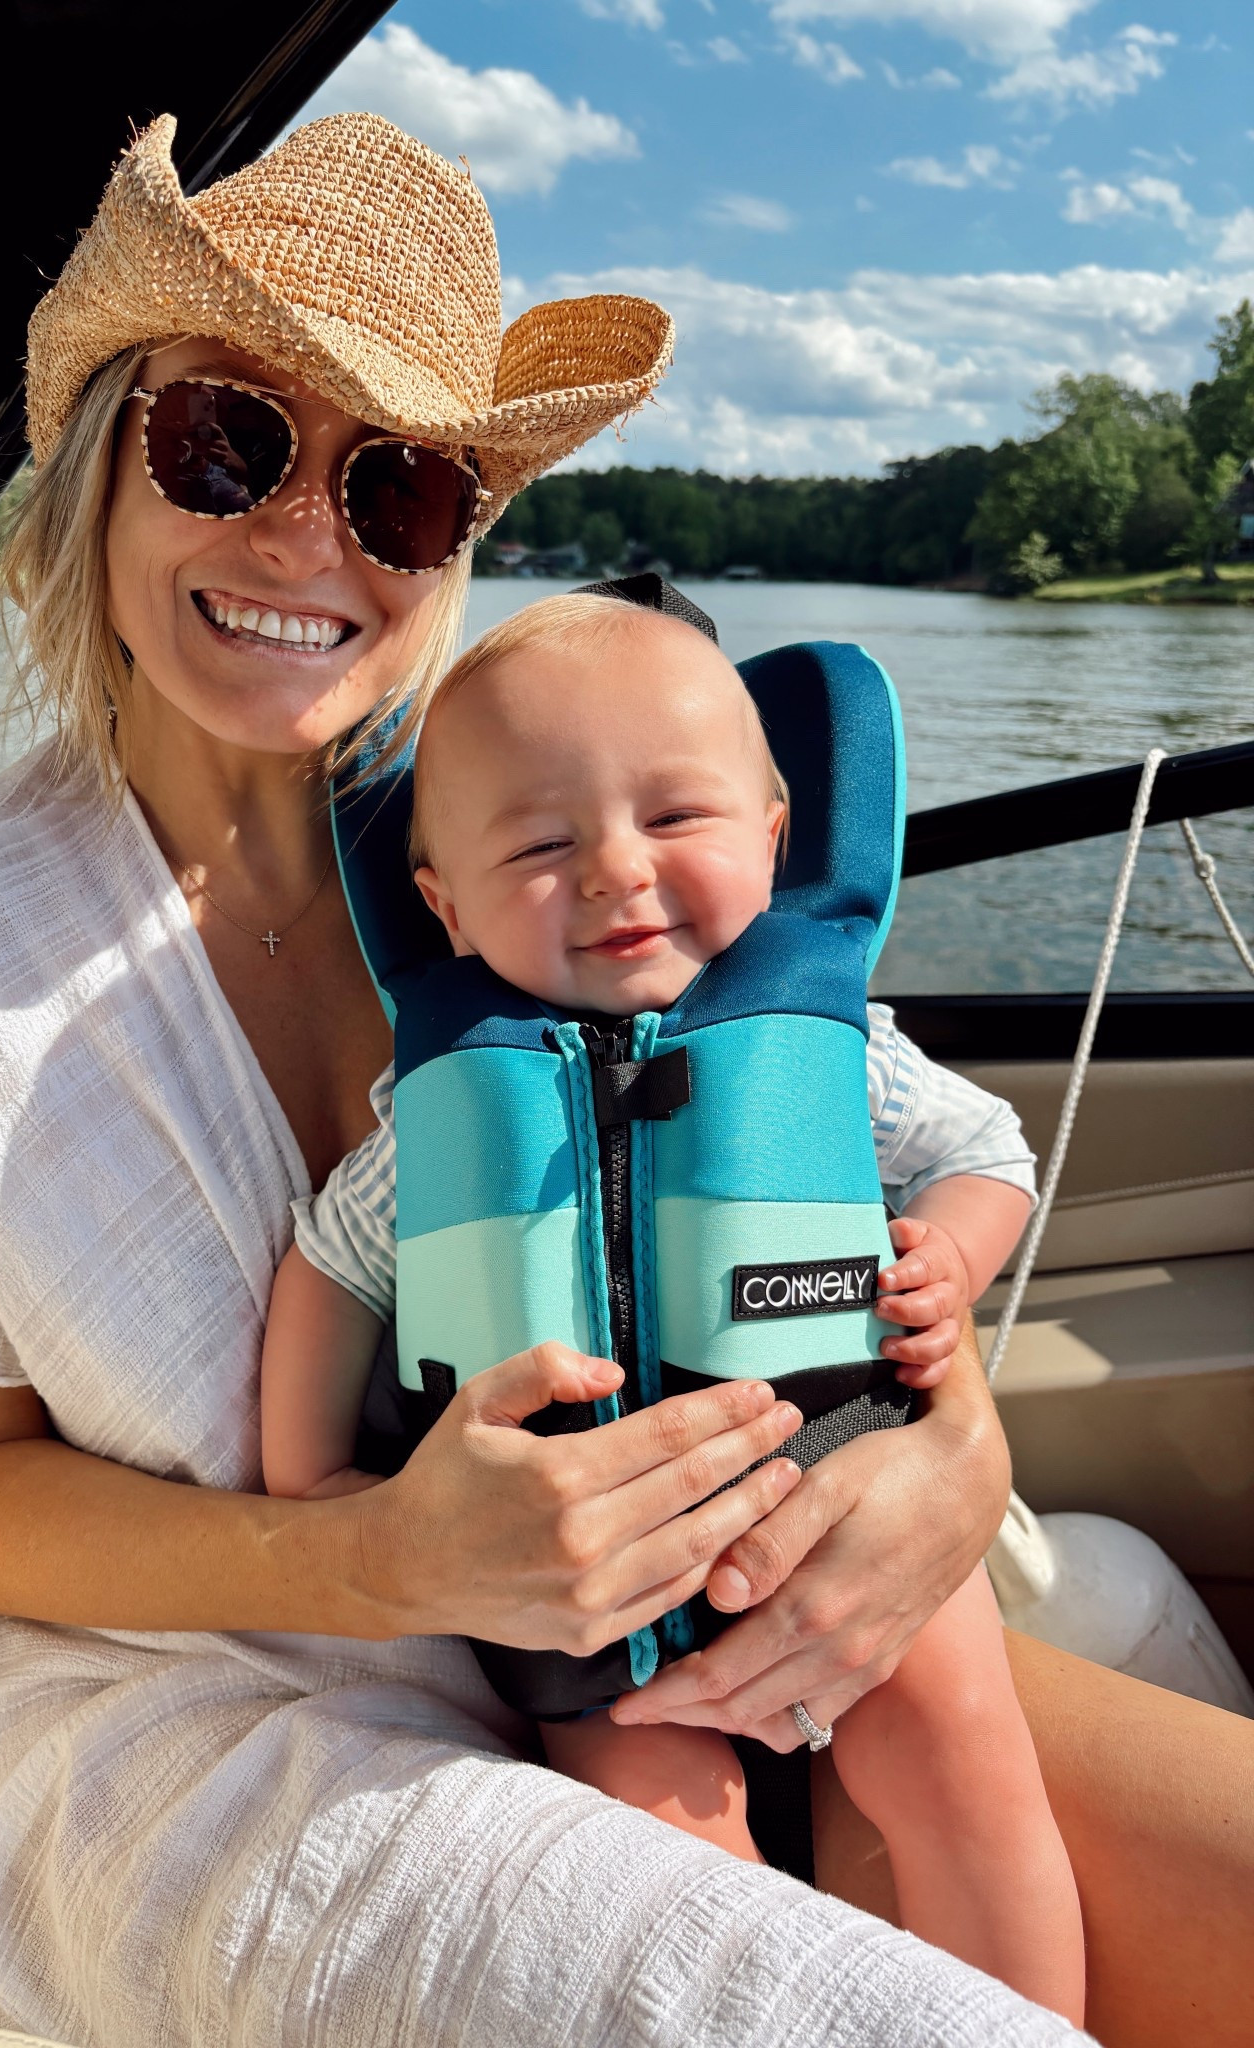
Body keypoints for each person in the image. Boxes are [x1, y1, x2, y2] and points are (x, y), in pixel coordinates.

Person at [0, 111, 1254, 2048]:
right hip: (226, 1708)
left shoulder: (556, 871)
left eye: (398, 487)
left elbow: (854, 1205)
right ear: (100, 461)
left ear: (456, 540)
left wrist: (947, 1454)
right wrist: (377, 1557)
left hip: (714, 1589)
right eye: (228, 440)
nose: (308, 532)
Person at [260, 590, 1083, 2022]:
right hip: (597, 1595)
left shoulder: (843, 1056)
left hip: (840, 1507)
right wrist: (313, 1484)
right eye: (539, 843)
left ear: (774, 831)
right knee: (669, 1849)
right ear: (443, 900)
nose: (615, 875)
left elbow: (988, 1156)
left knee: (962, 1758)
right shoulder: (439, 1124)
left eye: (675, 819)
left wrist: (947, 1258)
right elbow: (329, 1269)